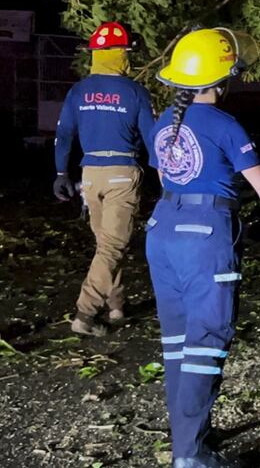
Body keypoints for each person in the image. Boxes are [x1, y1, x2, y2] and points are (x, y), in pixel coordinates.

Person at [146, 28, 260, 468]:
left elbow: (167, 178)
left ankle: (190, 434)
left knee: (178, 344)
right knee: (206, 343)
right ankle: (190, 456)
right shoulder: (224, 123)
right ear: (220, 81)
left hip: (162, 229)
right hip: (205, 235)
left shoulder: (163, 121)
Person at [53, 21, 155, 336]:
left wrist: (60, 172)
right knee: (112, 246)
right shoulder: (135, 91)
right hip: (122, 175)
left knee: (107, 245)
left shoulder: (78, 91)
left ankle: (116, 306)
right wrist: (166, 174)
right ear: (121, 54)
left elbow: (63, 134)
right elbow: (152, 139)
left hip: (90, 177)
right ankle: (85, 314)